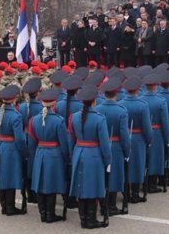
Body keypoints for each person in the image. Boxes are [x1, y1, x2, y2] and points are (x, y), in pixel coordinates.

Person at [69, 84, 111, 229]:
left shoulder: (74, 117)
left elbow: (71, 138)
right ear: (94, 101)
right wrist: (108, 160)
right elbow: (105, 144)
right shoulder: (99, 119)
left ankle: (83, 219)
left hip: (78, 151)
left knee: (81, 186)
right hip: (93, 154)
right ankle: (91, 220)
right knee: (93, 187)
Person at [29, 88, 70, 223]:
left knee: (41, 183)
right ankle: (50, 214)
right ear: (54, 103)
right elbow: (64, 143)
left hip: (40, 152)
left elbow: (33, 140)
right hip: (54, 153)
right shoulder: (58, 120)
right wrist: (67, 158)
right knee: (51, 184)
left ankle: (43, 213)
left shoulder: (34, 120)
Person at [0, 84, 27, 216]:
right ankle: (10, 207)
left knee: (1, 175)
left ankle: (4, 205)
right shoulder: (16, 116)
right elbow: (20, 139)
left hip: (0, 145)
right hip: (11, 147)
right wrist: (24, 153)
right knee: (10, 176)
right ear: (14, 99)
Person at [95, 78, 131, 215]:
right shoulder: (121, 111)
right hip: (115, 146)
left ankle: (103, 204)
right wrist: (127, 151)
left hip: (101, 146)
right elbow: (124, 135)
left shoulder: (98, 108)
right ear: (116, 93)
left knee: (103, 176)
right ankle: (111, 205)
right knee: (115, 176)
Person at [119, 77, 153, 203]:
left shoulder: (121, 104)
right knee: (138, 166)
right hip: (138, 139)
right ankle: (134, 193)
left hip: (125, 137)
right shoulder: (142, 105)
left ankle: (126, 192)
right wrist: (149, 140)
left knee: (126, 166)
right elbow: (147, 127)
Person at [140, 74, 169, 193]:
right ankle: (151, 184)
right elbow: (165, 122)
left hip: (142, 132)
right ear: (155, 86)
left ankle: (144, 181)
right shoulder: (161, 101)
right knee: (156, 158)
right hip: (157, 132)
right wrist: (167, 138)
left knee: (146, 157)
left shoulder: (141, 99)